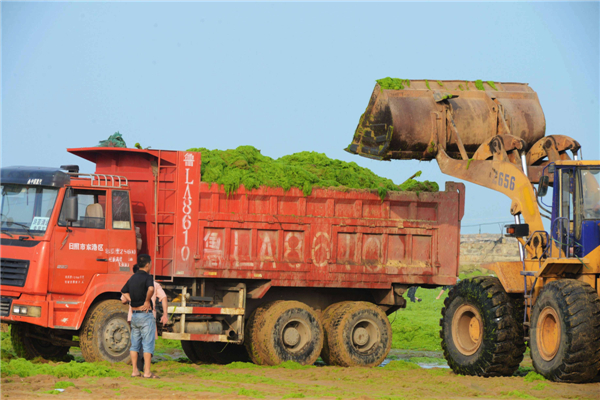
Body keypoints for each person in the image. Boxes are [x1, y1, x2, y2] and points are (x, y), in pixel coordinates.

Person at [121, 265, 169, 373]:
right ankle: (146, 371)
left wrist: (132, 301)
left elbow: (123, 298)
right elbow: (163, 297)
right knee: (147, 344)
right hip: (147, 315)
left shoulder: (132, 282)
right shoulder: (153, 283)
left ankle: (135, 370)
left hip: (134, 315)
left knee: (135, 344)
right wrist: (164, 313)